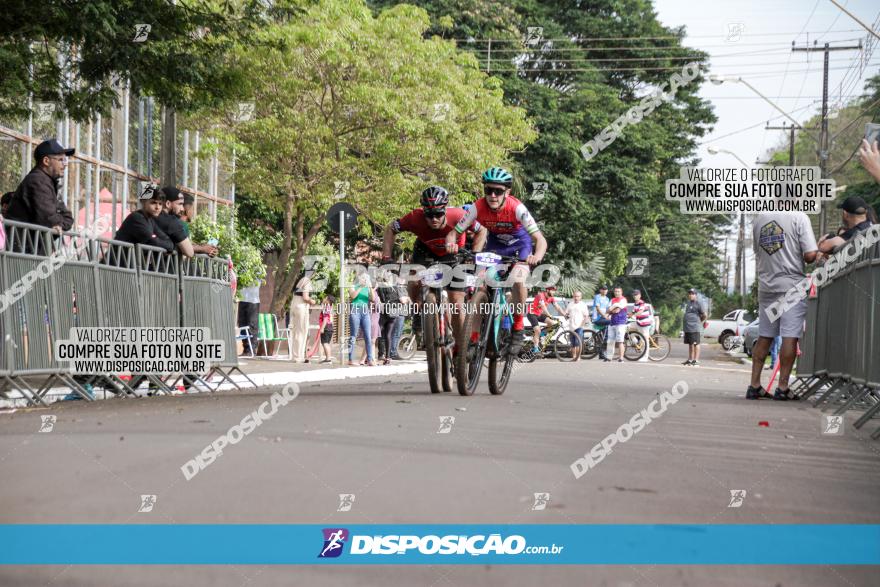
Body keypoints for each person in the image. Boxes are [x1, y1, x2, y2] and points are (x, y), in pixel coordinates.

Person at [446, 167, 548, 355]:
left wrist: (537, 257)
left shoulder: (517, 208)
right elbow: (453, 233)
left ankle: (517, 327)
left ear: (507, 192)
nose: (492, 195)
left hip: (520, 246)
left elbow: (540, 240)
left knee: (518, 278)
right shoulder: (477, 207)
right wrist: (451, 243)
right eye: (488, 190)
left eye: (498, 191)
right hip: (495, 247)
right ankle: (474, 339)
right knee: (480, 285)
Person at [383, 186, 486, 350]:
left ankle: (462, 346)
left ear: (445, 209)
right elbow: (391, 228)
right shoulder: (414, 218)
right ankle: (420, 313)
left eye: (438, 214)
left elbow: (482, 231)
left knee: (457, 303)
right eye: (429, 215)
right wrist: (386, 257)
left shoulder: (459, 215)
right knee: (414, 280)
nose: (434, 219)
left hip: (454, 255)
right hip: (425, 251)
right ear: (423, 211)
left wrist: (474, 254)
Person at [747, 211, 818, 400]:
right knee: (790, 336)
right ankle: (783, 387)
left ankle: (754, 385)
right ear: (794, 196)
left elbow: (758, 250)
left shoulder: (759, 219)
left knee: (765, 335)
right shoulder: (799, 218)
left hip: (767, 285)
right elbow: (810, 255)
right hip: (791, 286)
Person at [5, 139, 75, 235]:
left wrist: (60, 223)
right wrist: (58, 222)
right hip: (22, 247)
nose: (65, 164)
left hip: (29, 246)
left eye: (65, 160)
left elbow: (68, 218)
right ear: (46, 161)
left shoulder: (48, 182)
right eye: (61, 160)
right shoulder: (37, 181)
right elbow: (49, 219)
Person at [113, 184, 174, 252]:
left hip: (127, 261)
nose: (157, 207)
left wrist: (160, 241)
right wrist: (158, 241)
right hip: (114, 262)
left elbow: (170, 243)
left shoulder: (150, 220)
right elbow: (153, 242)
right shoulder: (136, 218)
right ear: (143, 202)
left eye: (160, 204)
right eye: (153, 203)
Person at [348, 271, 376, 366]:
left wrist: (369, 287)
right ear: (359, 278)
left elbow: (372, 299)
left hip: (365, 312)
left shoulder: (367, 288)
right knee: (353, 336)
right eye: (363, 278)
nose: (364, 279)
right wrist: (360, 286)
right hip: (355, 311)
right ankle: (350, 359)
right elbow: (353, 296)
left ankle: (370, 359)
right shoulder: (353, 286)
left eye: (365, 278)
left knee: (368, 336)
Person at [527, 286, 565, 352]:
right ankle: (535, 348)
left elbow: (557, 307)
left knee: (552, 323)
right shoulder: (540, 296)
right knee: (537, 330)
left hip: (539, 314)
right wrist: (549, 315)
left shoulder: (551, 298)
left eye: (554, 291)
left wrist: (565, 314)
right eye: (552, 290)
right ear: (547, 290)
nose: (554, 292)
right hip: (532, 313)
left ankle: (542, 334)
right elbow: (543, 306)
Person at [290, 272, 317, 363]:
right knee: (301, 332)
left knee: (296, 332)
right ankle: (299, 357)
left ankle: (295, 356)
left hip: (294, 304)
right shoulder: (307, 281)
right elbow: (305, 297)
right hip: (301, 306)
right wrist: (312, 301)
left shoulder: (299, 279)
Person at [237, 281, 261, 356]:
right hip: (242, 299)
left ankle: (251, 350)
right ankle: (246, 349)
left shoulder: (258, 269)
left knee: (252, 325)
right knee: (242, 324)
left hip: (253, 300)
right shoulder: (241, 270)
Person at [682, 289, 706, 366]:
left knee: (696, 344)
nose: (690, 295)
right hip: (688, 327)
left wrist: (699, 322)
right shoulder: (688, 303)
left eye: (692, 293)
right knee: (690, 344)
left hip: (695, 327)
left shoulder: (698, 303)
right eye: (689, 293)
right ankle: (690, 359)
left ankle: (696, 360)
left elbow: (704, 315)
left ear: (695, 295)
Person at [630, 289, 654, 362]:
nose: (635, 296)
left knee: (645, 339)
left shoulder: (641, 303)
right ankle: (636, 342)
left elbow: (640, 311)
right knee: (628, 329)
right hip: (638, 322)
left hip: (644, 323)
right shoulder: (635, 304)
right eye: (634, 295)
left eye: (636, 295)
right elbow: (633, 312)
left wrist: (634, 315)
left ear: (640, 295)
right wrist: (628, 316)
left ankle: (645, 357)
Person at [565, 290, 590, 360]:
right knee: (572, 343)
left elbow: (586, 316)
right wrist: (566, 316)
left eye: (578, 296)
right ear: (573, 296)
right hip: (571, 326)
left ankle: (578, 356)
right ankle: (574, 356)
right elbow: (566, 313)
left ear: (580, 297)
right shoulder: (570, 304)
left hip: (579, 326)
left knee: (577, 342)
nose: (576, 298)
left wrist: (581, 325)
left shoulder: (583, 305)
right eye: (575, 296)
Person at [607, 286, 628, 362]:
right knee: (610, 341)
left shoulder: (623, 300)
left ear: (621, 292)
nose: (617, 293)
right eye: (615, 291)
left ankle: (621, 358)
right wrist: (614, 307)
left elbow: (617, 310)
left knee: (620, 341)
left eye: (618, 291)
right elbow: (608, 310)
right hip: (612, 322)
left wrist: (612, 309)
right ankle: (609, 357)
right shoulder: (612, 300)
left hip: (620, 323)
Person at [591, 284, 612, 361]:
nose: (604, 290)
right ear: (600, 290)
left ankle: (601, 354)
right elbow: (598, 309)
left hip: (603, 318)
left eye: (606, 289)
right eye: (603, 289)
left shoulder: (607, 299)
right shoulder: (597, 297)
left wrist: (608, 315)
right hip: (597, 318)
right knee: (610, 322)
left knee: (601, 337)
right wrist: (605, 316)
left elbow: (608, 309)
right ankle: (605, 339)